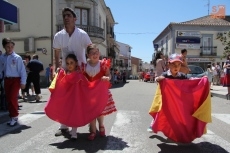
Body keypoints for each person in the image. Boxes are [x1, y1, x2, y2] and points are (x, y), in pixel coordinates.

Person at [149, 54, 211, 143]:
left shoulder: (182, 75)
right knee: (162, 114)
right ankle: (153, 124)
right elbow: (157, 79)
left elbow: (191, 81)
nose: (176, 67)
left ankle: (180, 132)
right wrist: (159, 79)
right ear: (169, 65)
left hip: (179, 100)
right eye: (174, 64)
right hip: (166, 101)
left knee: (179, 116)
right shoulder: (165, 75)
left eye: (178, 65)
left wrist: (202, 80)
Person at [52, 7, 92, 137]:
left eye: (69, 15)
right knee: (64, 100)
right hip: (65, 73)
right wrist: (56, 68)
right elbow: (56, 54)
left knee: (77, 101)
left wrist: (95, 65)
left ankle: (78, 125)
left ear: (75, 19)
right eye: (64, 16)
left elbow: (90, 49)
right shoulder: (58, 36)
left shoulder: (82, 34)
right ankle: (63, 126)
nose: (66, 18)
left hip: (80, 74)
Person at [83, 44, 117, 141]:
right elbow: (82, 77)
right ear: (88, 55)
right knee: (91, 112)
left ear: (99, 53)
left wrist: (107, 78)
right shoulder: (84, 66)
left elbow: (109, 75)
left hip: (100, 92)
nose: (95, 54)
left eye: (96, 52)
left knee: (100, 111)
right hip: (89, 93)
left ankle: (101, 125)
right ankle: (93, 131)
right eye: (92, 53)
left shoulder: (103, 64)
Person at [1, 38, 27, 126]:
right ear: (4, 47)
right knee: (9, 99)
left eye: (11, 46)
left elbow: (22, 71)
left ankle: (15, 116)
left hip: (15, 80)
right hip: (6, 79)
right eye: (8, 47)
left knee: (12, 98)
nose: (10, 48)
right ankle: (12, 116)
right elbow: (1, 69)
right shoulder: (2, 58)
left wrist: (23, 82)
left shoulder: (17, 58)